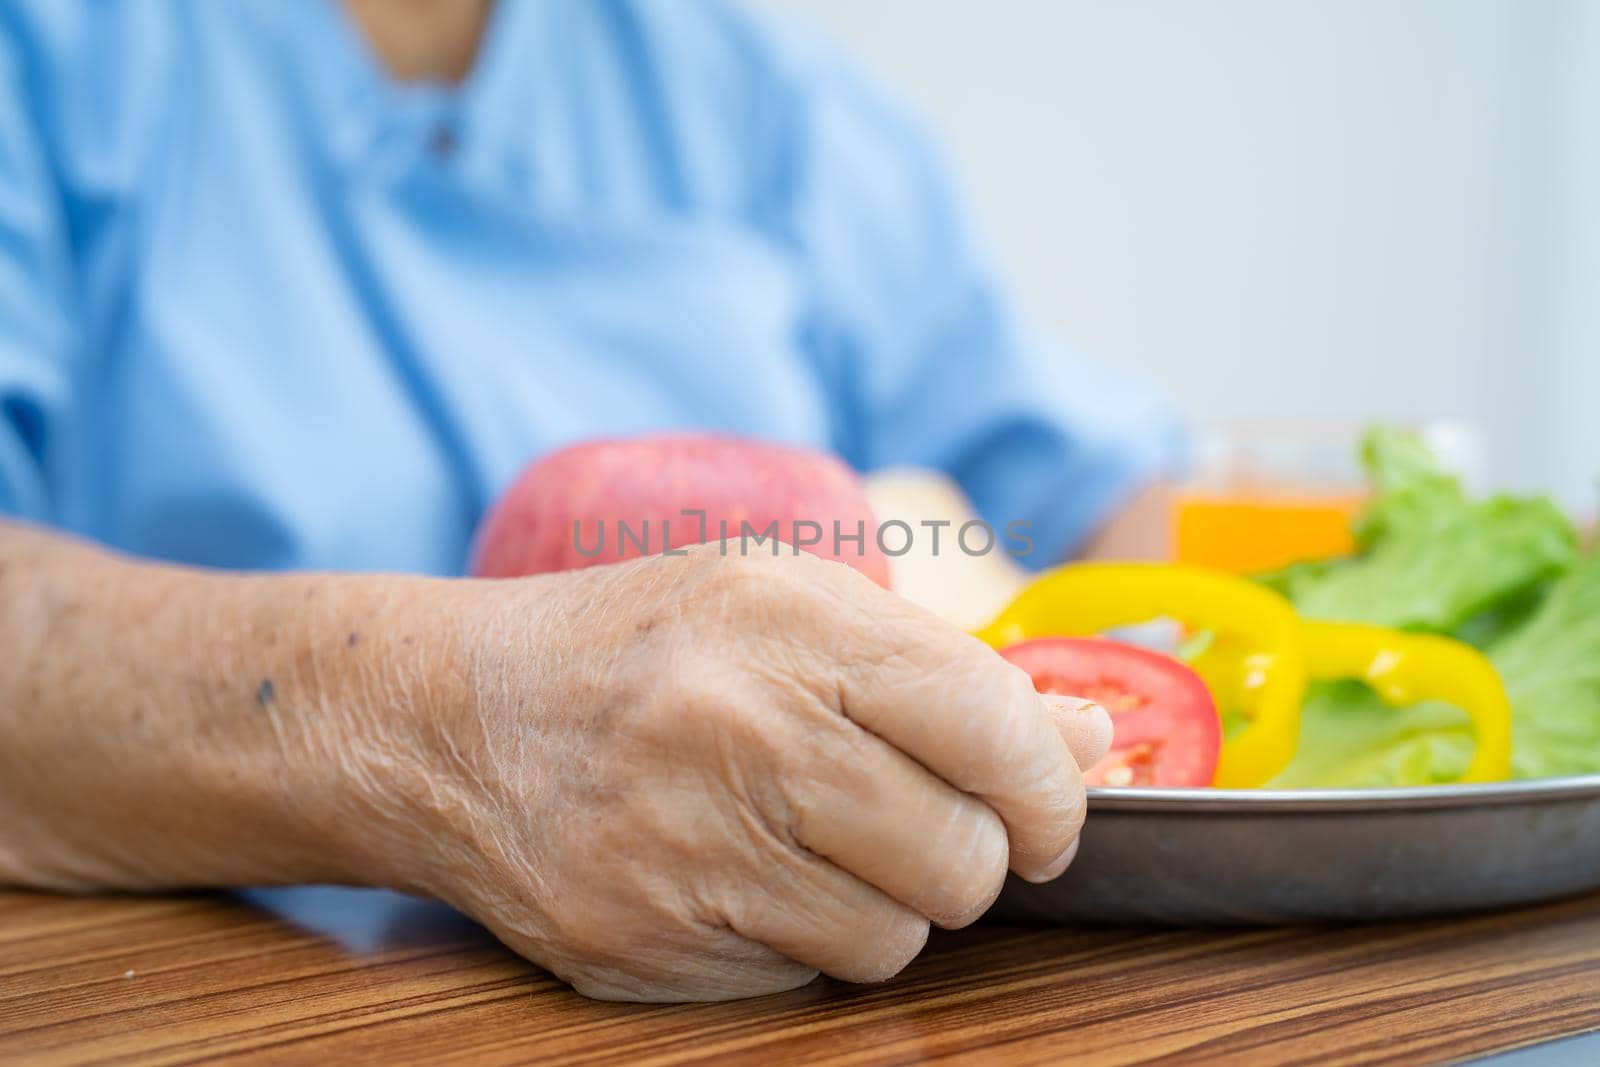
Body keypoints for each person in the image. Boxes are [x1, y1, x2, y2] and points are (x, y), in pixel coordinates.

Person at [0, 0, 1178, 1001]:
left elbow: (1109, 493)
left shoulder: (741, 81)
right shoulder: (62, 59)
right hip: (206, 1004)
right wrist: (450, 726)